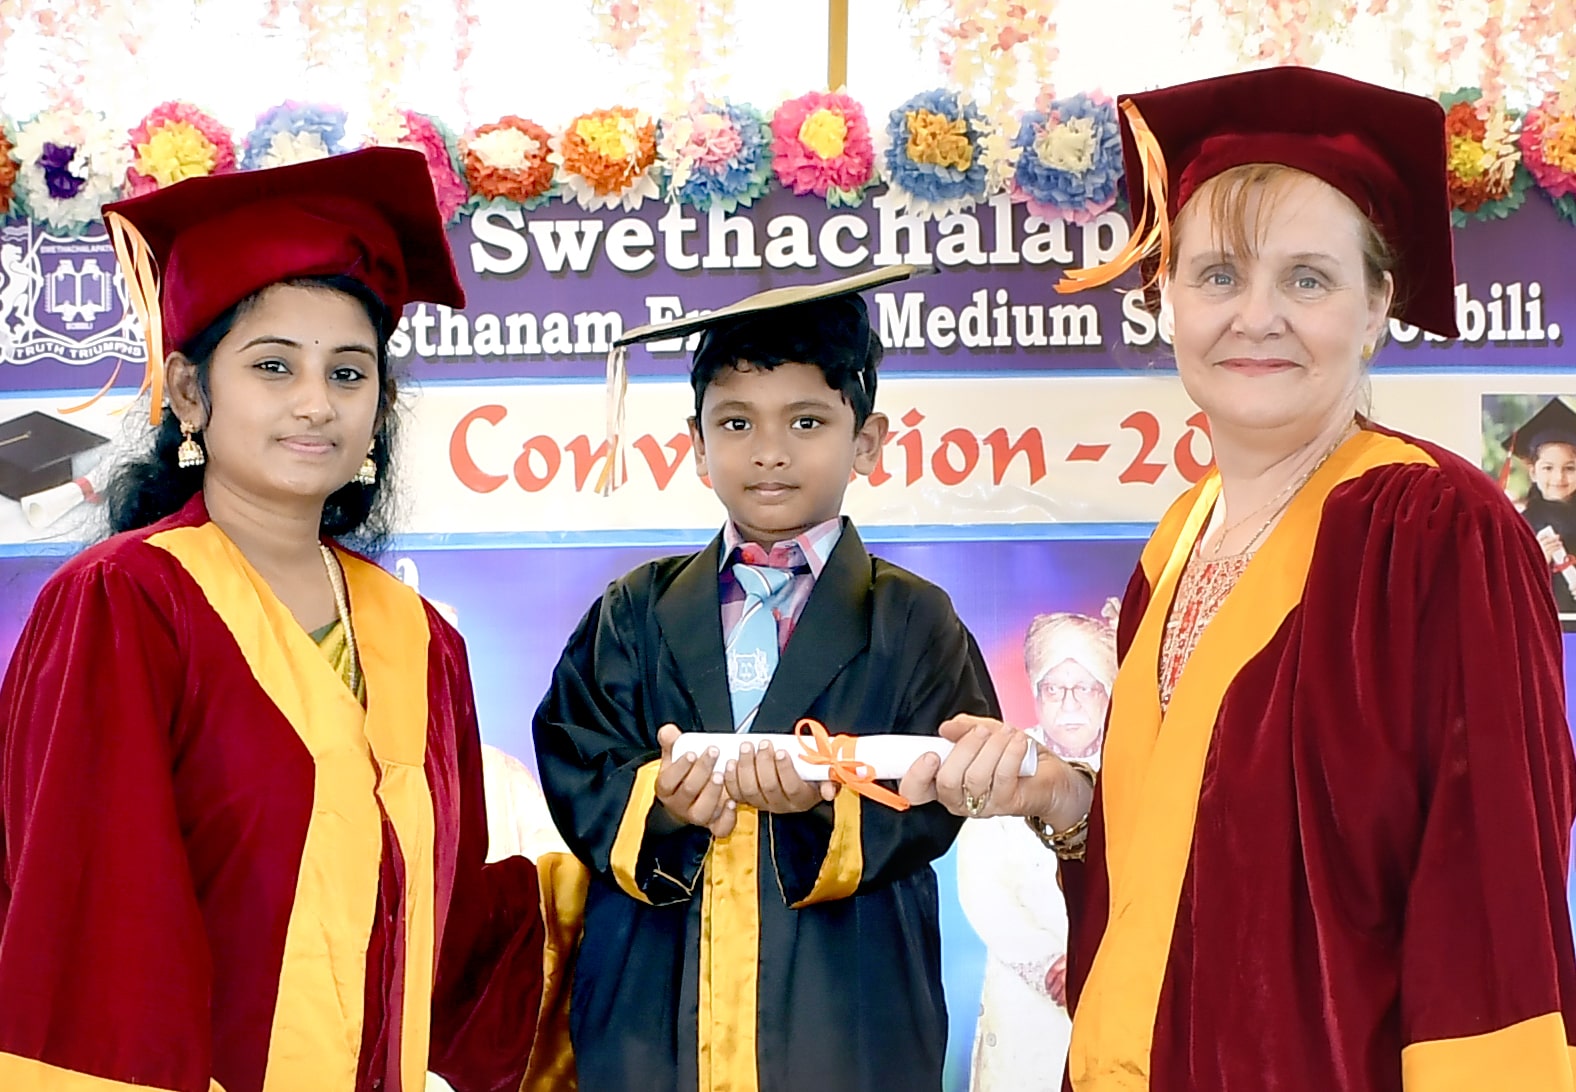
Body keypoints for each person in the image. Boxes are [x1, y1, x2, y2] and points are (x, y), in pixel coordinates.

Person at [907, 66, 1576, 1090]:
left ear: (1377, 305)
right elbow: (1183, 871)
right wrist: (1068, 803)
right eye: (1217, 275)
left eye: (1307, 279)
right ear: (1166, 297)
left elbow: (1492, 902)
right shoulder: (1177, 541)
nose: (1256, 316)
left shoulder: (1435, 529)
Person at [0, 147, 546, 1092]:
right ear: (189, 392)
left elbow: (453, 944)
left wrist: (651, 841)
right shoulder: (127, 602)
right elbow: (95, 935)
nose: (315, 403)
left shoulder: (420, 638)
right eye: (273, 366)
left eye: (349, 373)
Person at [531, 267, 1001, 1092]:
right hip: (654, 999)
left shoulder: (913, 620)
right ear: (696, 442)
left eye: (807, 421)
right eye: (737, 422)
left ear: (867, 441)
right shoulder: (634, 612)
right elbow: (578, 756)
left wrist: (823, 806)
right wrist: (662, 804)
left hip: (844, 1000)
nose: (770, 451)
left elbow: (938, 791)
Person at [955, 607, 1118, 1091]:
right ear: (1036, 693)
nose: (1069, 704)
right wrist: (1051, 964)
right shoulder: (1003, 761)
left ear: (1108, 692)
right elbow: (982, 888)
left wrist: (1092, 958)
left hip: (1114, 984)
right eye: (1054, 688)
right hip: (1023, 1000)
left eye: (1084, 688)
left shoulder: (1135, 760)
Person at [1506, 397, 1576, 621]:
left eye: (1570, 468)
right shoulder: (1520, 526)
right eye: (1548, 468)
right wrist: (1537, 561)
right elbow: (1507, 590)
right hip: (1543, 628)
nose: (1558, 478)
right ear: (1533, 472)